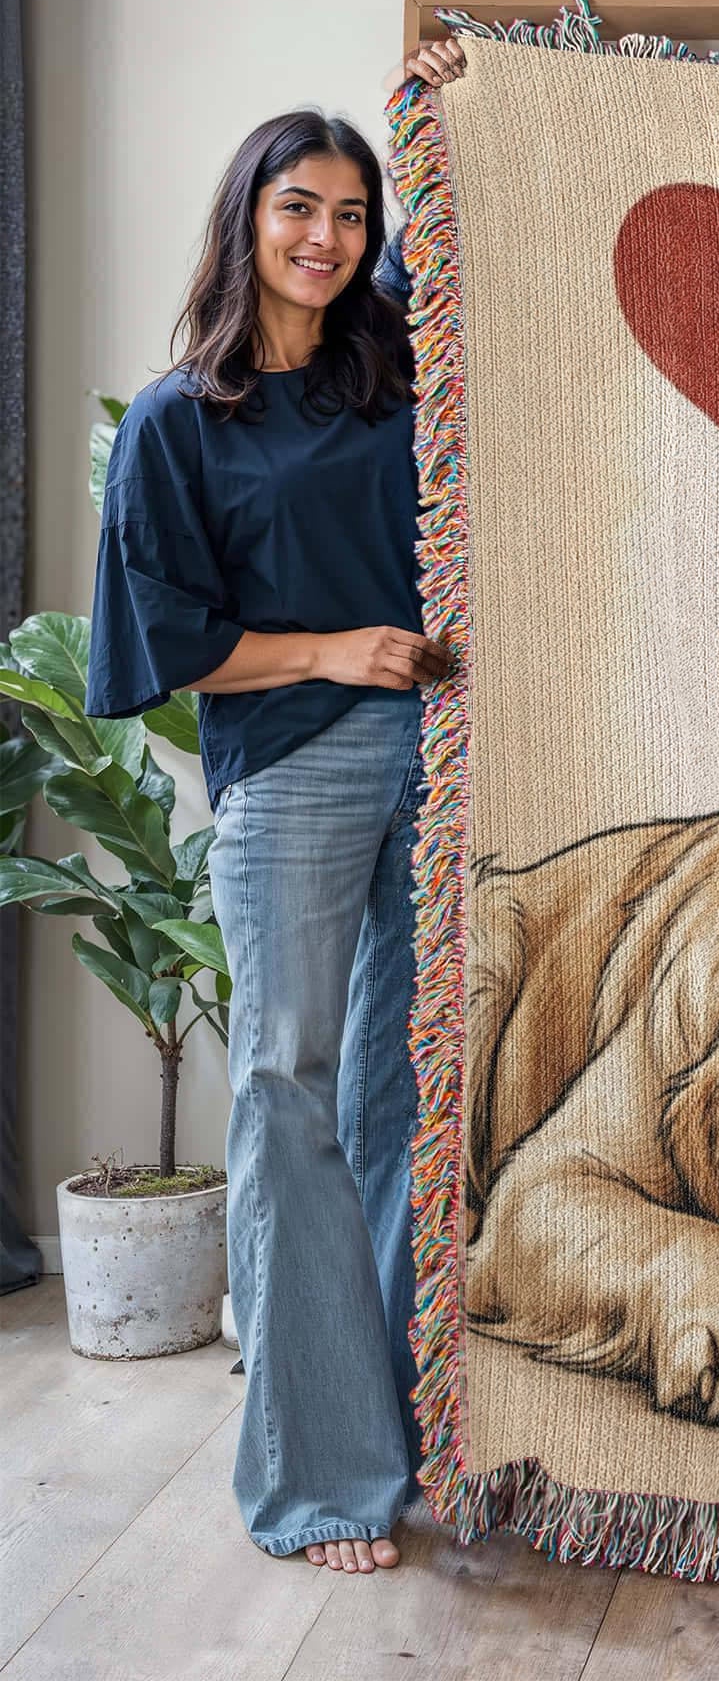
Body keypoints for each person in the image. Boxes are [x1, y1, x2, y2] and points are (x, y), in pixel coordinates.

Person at [85, 110, 450, 1573]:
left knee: (399, 1100)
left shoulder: (395, 367)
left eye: (352, 216)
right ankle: (315, 1481)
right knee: (288, 1095)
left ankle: (390, 1434)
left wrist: (433, 104)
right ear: (247, 218)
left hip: (437, 763)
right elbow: (162, 645)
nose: (326, 239)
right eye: (299, 209)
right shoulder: (184, 418)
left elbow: (472, 243)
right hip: (290, 774)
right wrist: (331, 651)